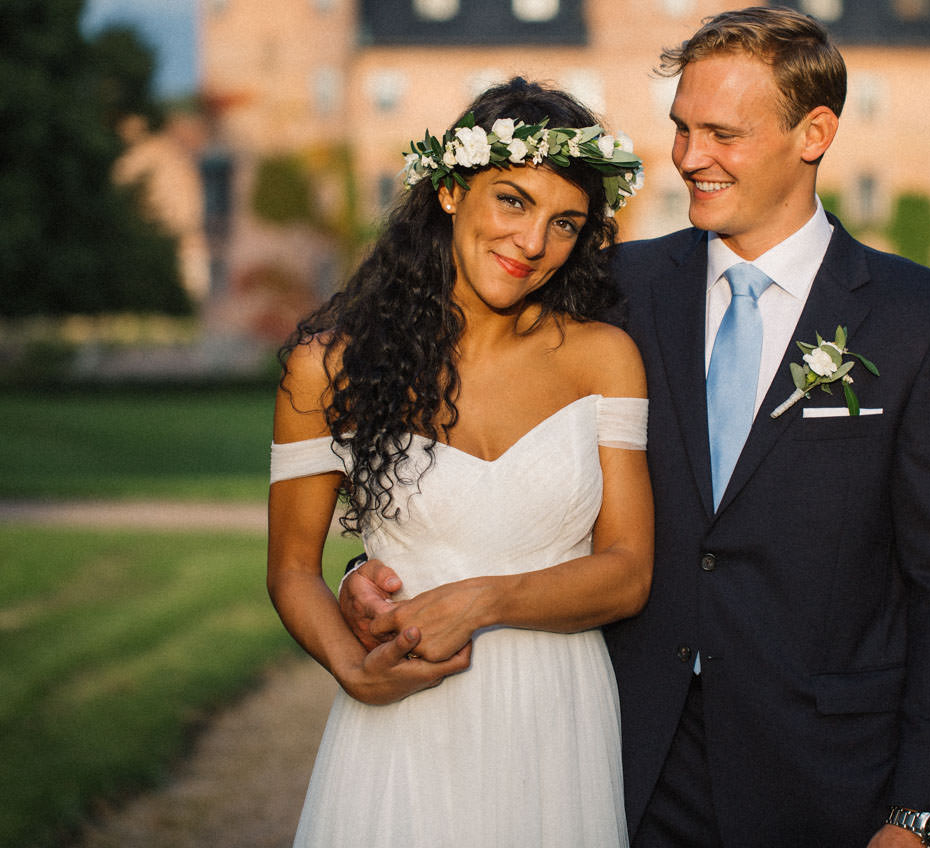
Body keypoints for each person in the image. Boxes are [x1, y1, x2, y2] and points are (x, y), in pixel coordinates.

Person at [345, 7, 930, 848]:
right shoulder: (607, 290)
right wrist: (376, 563)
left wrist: (921, 814)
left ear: (815, 132)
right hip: (615, 756)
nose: (690, 158)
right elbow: (479, 437)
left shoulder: (926, 324)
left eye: (722, 134)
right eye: (682, 129)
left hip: (828, 771)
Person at [268, 78, 655, 847]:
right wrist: (353, 667)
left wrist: (481, 601)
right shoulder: (328, 368)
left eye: (565, 222)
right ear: (450, 191)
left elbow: (628, 572)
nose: (533, 242)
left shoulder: (604, 359)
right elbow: (291, 570)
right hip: (405, 720)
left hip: (557, 722)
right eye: (512, 200)